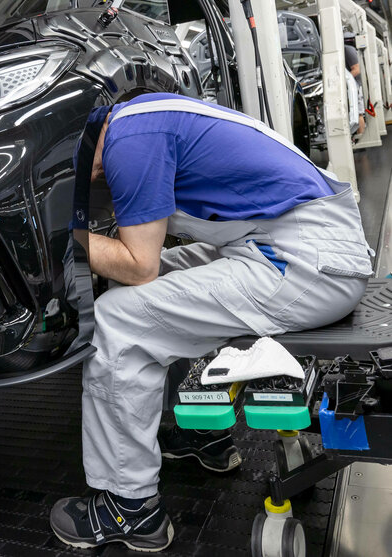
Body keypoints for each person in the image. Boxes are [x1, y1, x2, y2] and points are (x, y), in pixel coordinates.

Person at [49, 92, 372, 552]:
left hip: (304, 263)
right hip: (290, 242)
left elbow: (137, 263)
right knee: (158, 283)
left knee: (117, 319)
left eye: (84, 165)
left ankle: (129, 506)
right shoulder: (151, 117)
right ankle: (201, 433)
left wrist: (57, 244)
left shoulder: (129, 138)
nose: (92, 176)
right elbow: (151, 265)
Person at [344, 32, 366, 135]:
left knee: (358, 113)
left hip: (354, 86)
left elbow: (356, 69)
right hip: (349, 86)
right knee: (353, 114)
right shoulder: (344, 50)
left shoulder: (348, 49)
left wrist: (343, 81)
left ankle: (361, 138)